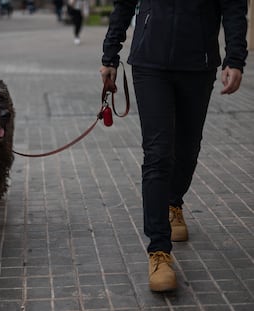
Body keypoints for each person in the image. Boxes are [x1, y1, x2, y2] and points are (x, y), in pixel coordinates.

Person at [100, 0, 247, 292]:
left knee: (188, 149)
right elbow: (124, 4)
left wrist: (235, 58)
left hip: (198, 62)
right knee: (157, 154)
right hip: (150, 63)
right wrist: (110, 55)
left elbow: (233, 6)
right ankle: (159, 251)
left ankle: (173, 202)